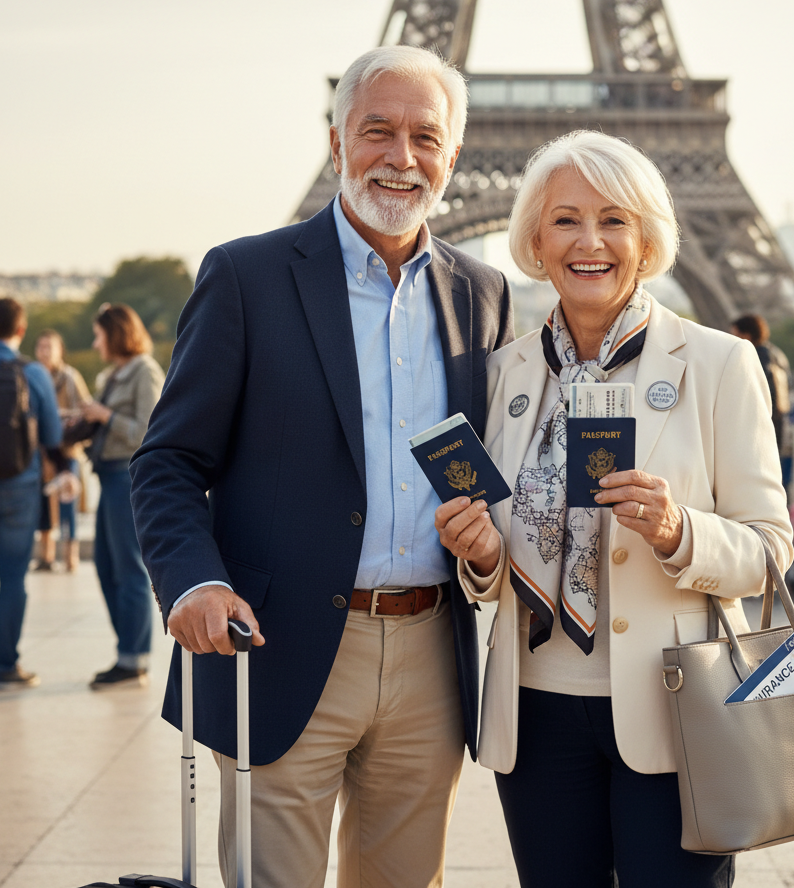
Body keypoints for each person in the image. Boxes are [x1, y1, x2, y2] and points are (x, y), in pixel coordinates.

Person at [130, 45, 514, 888]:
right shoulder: (246, 275)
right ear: (337, 142)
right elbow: (166, 460)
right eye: (377, 131)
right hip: (278, 642)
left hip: (430, 652)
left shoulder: (484, 293)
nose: (401, 157)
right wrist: (192, 583)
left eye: (424, 137)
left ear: (453, 156)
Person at [436, 131, 793, 888]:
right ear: (535, 238)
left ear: (648, 238)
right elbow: (491, 557)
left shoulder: (721, 364)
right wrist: (481, 556)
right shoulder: (504, 374)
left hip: (680, 710)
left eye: (614, 220)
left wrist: (678, 530)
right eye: (565, 220)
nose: (589, 241)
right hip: (534, 713)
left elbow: (769, 550)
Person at [0, 298, 62, 689]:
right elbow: (53, 436)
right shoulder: (34, 373)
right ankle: (7, 666)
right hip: (19, 490)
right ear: (21, 330)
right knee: (13, 578)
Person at [82, 303, 164, 690]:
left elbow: (150, 431)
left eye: (99, 334)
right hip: (108, 476)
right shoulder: (113, 375)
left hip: (127, 479)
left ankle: (133, 660)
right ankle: (126, 653)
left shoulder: (144, 371)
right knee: (105, 565)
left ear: (114, 334)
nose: (95, 342)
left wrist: (104, 417)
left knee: (128, 569)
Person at [31, 329, 91, 572]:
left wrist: (58, 417)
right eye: (40, 347)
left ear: (59, 351)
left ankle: (70, 557)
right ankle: (46, 556)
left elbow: (84, 408)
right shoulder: (33, 376)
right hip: (41, 452)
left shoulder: (70, 376)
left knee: (68, 507)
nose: (44, 352)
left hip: (66, 450)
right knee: (43, 506)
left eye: (49, 347)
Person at [730, 313, 791, 449]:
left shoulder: (754, 356)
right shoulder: (776, 354)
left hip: (758, 422)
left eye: (735, 334)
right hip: (776, 419)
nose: (732, 339)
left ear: (747, 335)